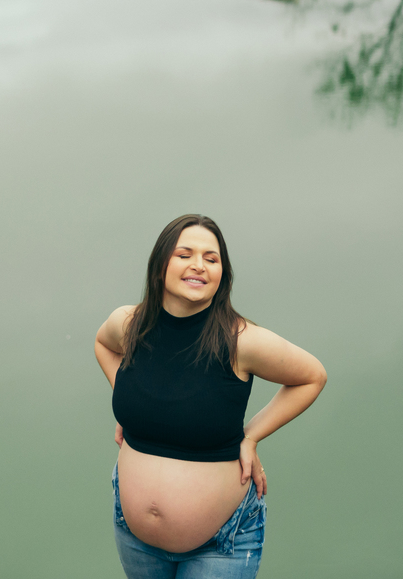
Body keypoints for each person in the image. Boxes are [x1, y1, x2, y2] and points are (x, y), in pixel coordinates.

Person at [94, 214, 327, 579]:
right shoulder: (129, 323)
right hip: (134, 536)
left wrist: (251, 436)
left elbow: (312, 376)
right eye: (184, 254)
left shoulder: (241, 341)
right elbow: (103, 345)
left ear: (222, 275)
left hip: (222, 543)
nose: (199, 266)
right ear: (160, 267)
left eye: (212, 258)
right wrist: (128, 399)